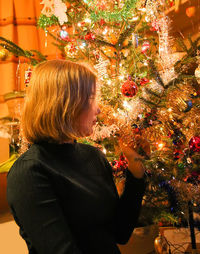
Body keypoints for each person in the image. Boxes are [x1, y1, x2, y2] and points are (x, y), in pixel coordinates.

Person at [7, 59, 148, 254]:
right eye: (91, 97)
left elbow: (120, 233)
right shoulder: (30, 171)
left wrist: (135, 166)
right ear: (65, 103)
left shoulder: (93, 156)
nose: (98, 108)